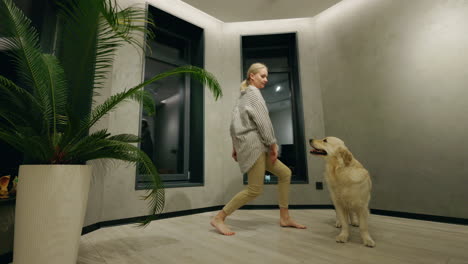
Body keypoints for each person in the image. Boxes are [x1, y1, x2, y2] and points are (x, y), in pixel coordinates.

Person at [210, 63, 306, 236]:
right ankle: (219, 218)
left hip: (253, 146)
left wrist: (235, 147)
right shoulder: (254, 94)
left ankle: (285, 217)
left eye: (266, 76)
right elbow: (263, 122)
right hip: (255, 146)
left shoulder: (243, 96)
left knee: (285, 173)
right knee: (255, 189)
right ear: (251, 76)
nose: (266, 79)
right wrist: (273, 144)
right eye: (262, 76)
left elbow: (233, 126)